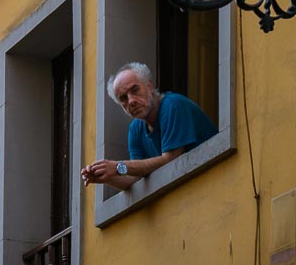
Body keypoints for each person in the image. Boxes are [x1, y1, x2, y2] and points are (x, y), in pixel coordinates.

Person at [82, 62, 217, 190]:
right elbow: (135, 177)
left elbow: (170, 160)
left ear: (150, 87)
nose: (131, 101)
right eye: (123, 98)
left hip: (213, 181)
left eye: (135, 90)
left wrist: (117, 167)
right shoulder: (135, 129)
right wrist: (106, 176)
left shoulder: (173, 105)